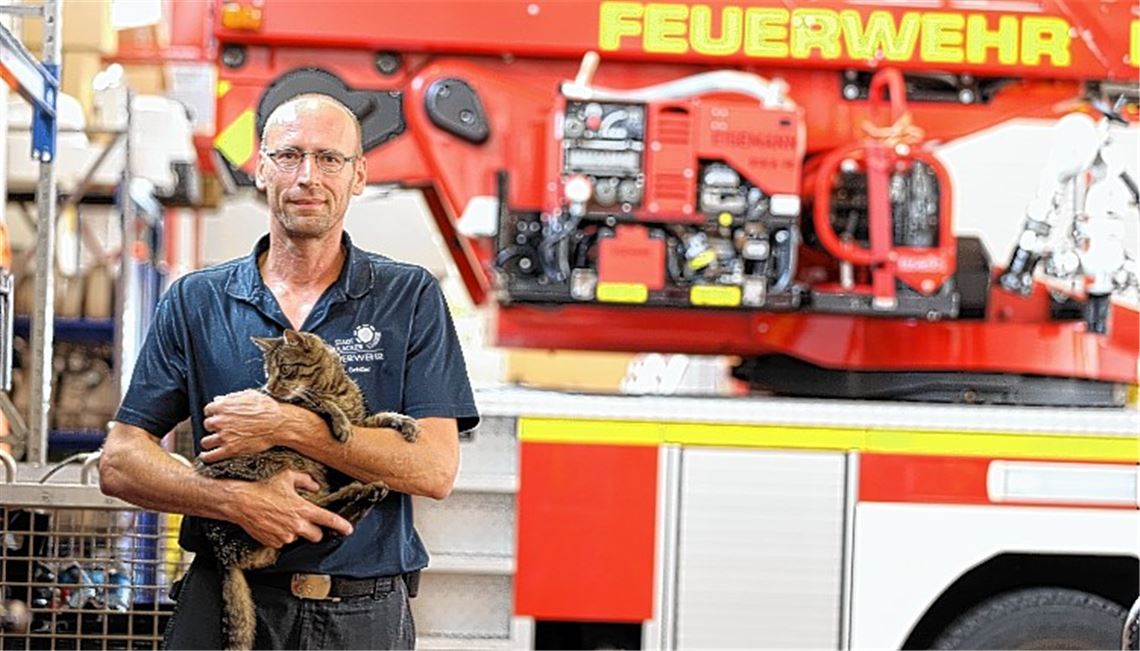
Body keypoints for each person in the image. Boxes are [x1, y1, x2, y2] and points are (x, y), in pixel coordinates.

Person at [99, 92, 480, 649]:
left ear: (358, 176)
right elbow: (121, 460)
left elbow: (433, 470)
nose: (308, 177)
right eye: (288, 155)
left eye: (330, 159)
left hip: (360, 612)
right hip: (227, 597)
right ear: (260, 168)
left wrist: (287, 425)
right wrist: (234, 501)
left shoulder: (406, 296)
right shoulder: (197, 300)